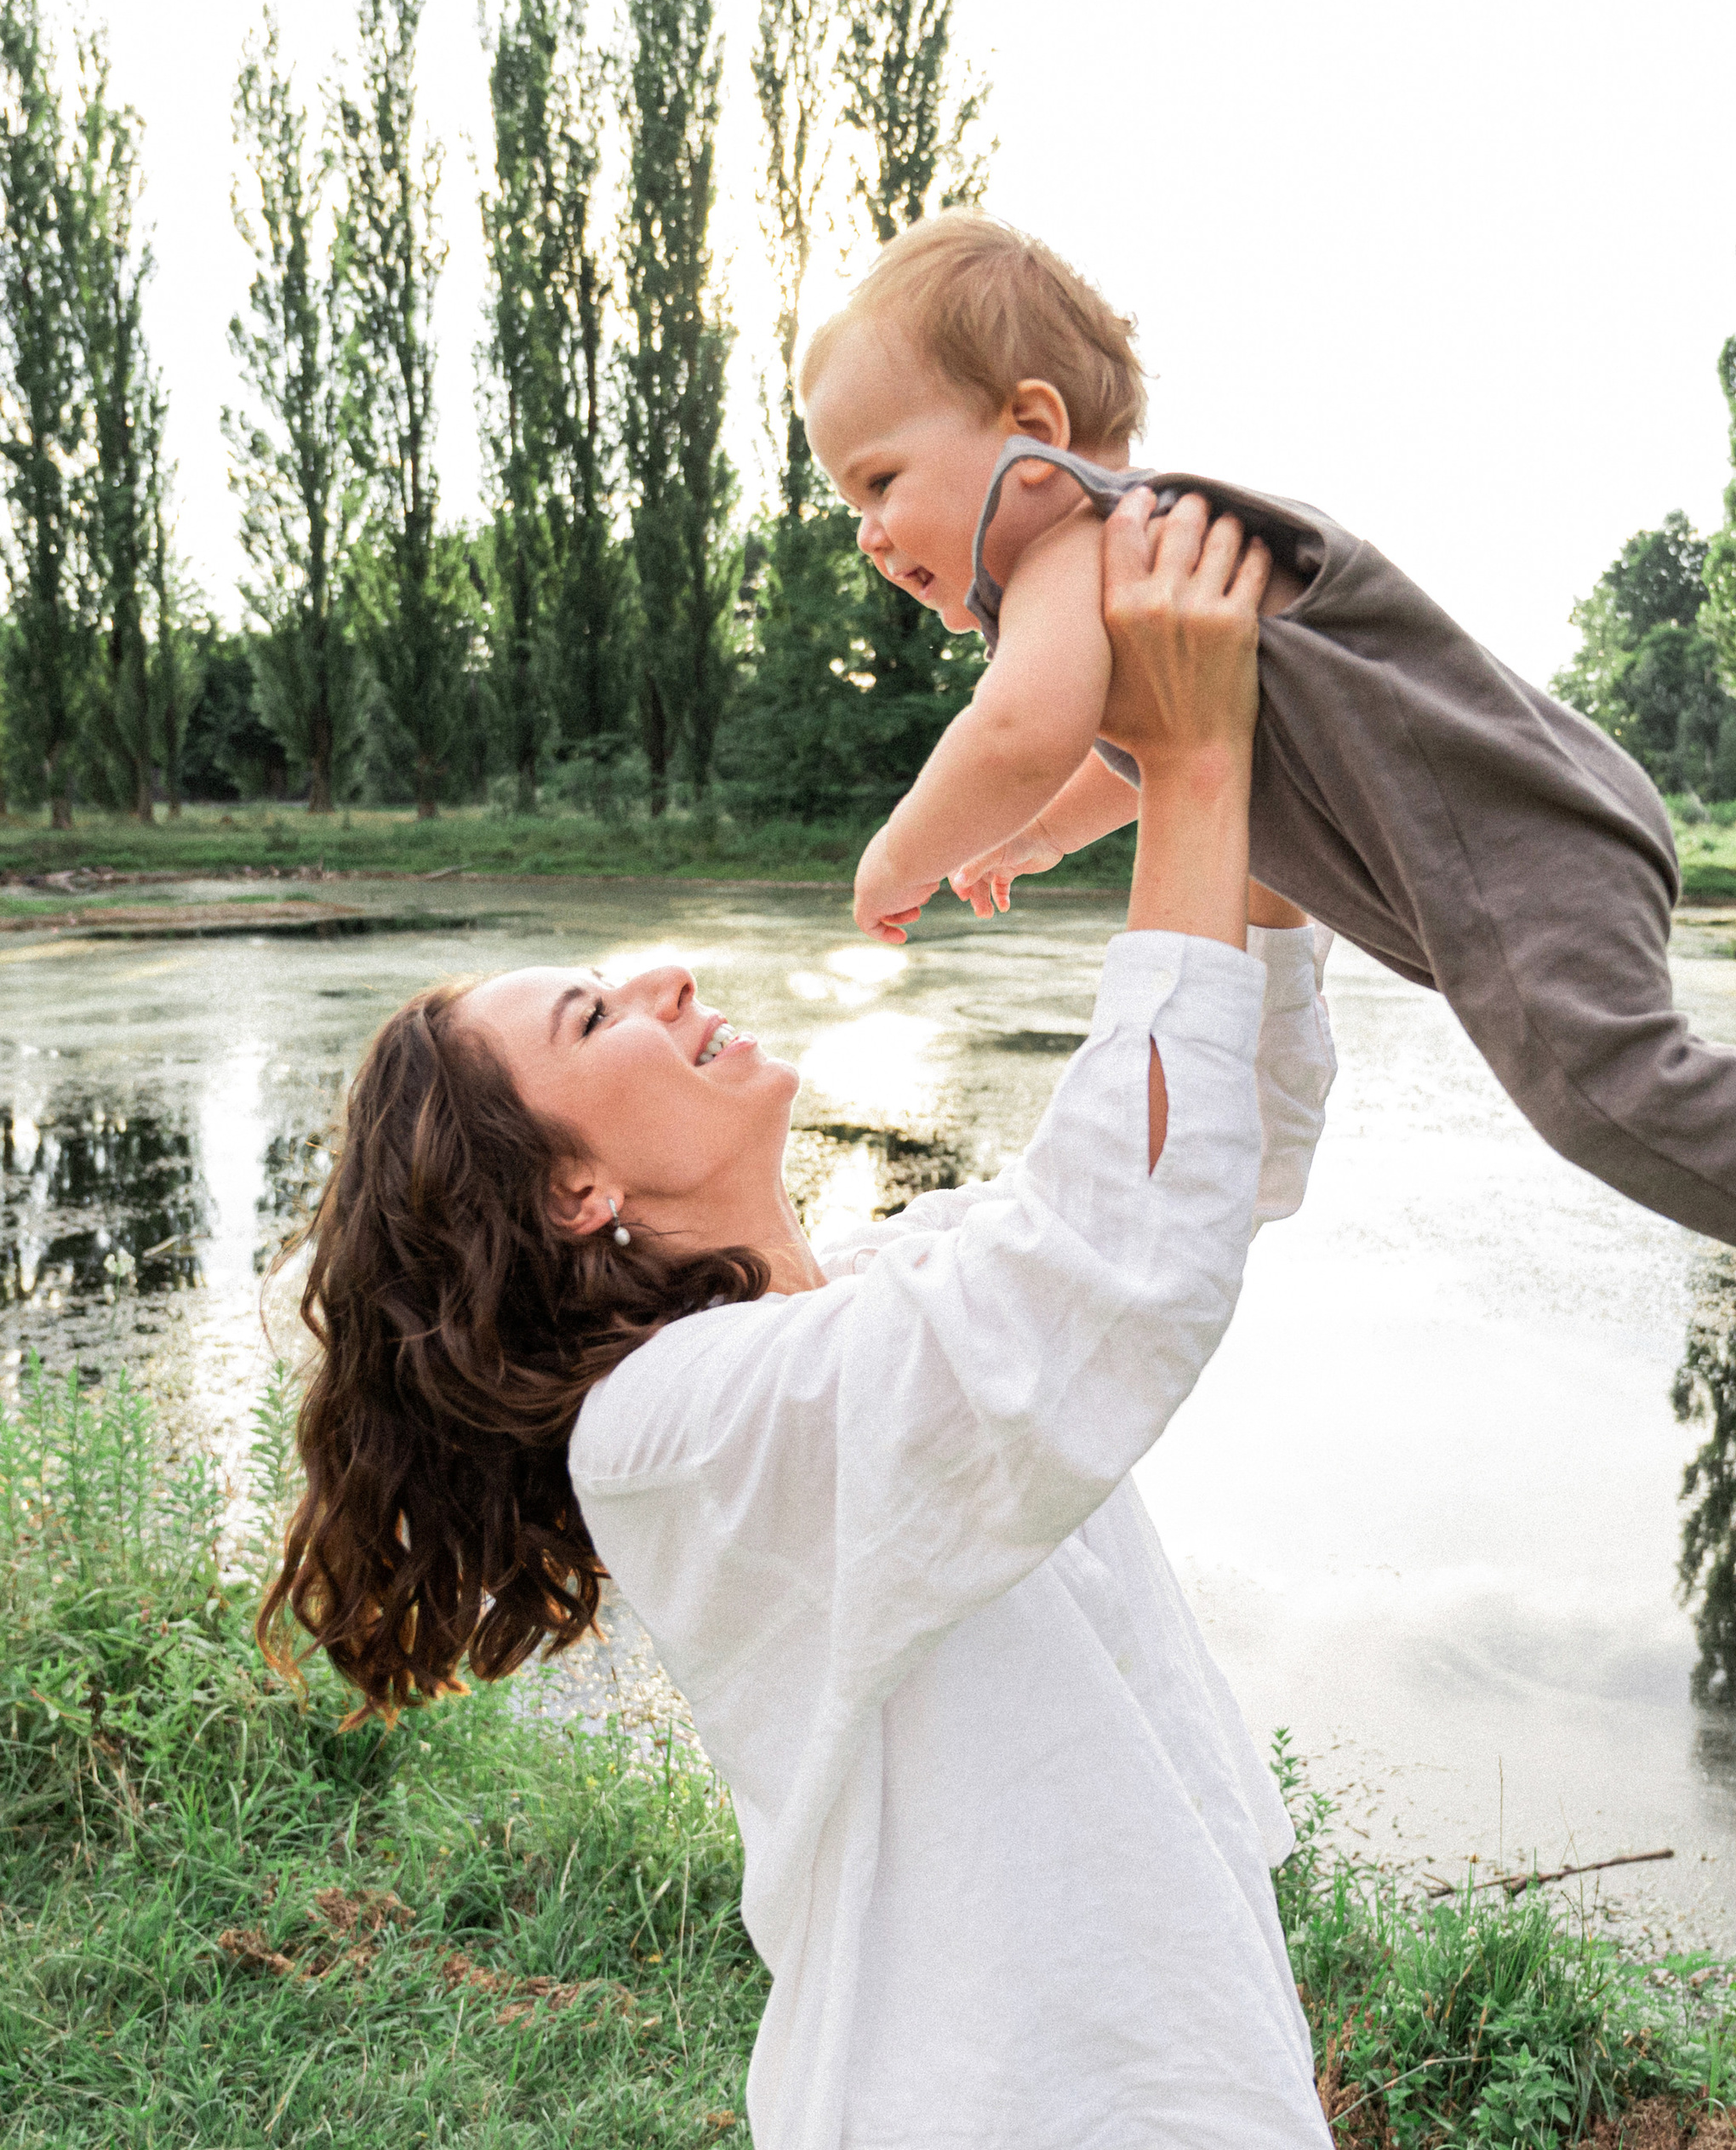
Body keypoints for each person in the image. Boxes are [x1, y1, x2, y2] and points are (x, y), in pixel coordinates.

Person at [259, 494, 1342, 2150]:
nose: (671, 979)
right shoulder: (673, 1428)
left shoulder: (877, 1287)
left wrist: (1222, 785)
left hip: (1165, 2052)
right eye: (597, 1013)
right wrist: (1189, 775)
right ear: (567, 1194)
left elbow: (1220, 1161)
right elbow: (1116, 1265)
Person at [800, 209, 1736, 1424]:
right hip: (1542, 825)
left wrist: (902, 853)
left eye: (881, 480)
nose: (867, 533)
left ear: (1031, 429)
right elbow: (1140, 751)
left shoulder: (1085, 542)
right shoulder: (1137, 559)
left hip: (1527, 840)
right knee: (1624, 1076)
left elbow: (1020, 730)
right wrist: (1040, 837)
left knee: (1599, 1088)